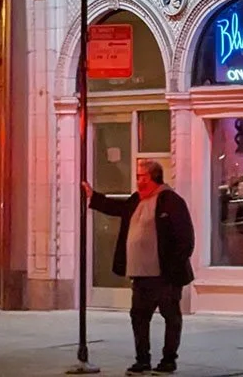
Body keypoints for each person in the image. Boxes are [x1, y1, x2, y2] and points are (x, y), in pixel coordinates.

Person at [83, 159, 195, 375]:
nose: (138, 181)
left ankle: (168, 361)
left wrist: (173, 267)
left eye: (142, 177)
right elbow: (118, 208)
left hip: (164, 275)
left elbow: (185, 238)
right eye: (137, 177)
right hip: (141, 275)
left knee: (171, 316)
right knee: (139, 317)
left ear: (153, 177)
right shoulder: (136, 200)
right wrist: (93, 197)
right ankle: (142, 360)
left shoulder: (170, 201)